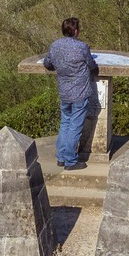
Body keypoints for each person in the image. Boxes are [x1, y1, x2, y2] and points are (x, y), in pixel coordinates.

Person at [43, 16, 96, 170]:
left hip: (64, 93)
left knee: (65, 123)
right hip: (80, 93)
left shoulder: (55, 45)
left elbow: (48, 64)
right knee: (74, 126)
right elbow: (91, 65)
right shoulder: (82, 47)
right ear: (76, 31)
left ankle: (61, 157)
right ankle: (71, 161)